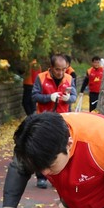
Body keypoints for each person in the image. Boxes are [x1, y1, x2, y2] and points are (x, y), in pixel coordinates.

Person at [31, 54, 73, 189]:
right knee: (42, 148)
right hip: (44, 119)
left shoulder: (70, 78)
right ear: (51, 68)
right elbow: (34, 96)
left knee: (62, 148)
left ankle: (59, 177)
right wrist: (49, 97)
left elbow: (74, 95)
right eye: (57, 69)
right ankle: (41, 177)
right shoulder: (41, 78)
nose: (61, 72)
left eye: (64, 69)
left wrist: (69, 98)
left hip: (63, 119)